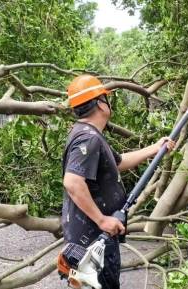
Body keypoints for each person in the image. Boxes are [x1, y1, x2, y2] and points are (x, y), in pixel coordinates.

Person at [61, 75, 175, 288]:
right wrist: (103, 220)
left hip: (96, 234)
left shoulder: (89, 134)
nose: (108, 103)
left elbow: (119, 162)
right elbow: (73, 182)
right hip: (94, 236)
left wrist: (156, 148)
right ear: (100, 104)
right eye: (106, 98)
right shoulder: (89, 138)